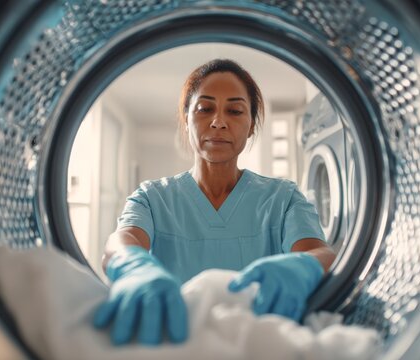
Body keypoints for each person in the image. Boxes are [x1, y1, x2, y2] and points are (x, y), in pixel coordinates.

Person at [93, 59, 336, 346]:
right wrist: (132, 264)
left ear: (251, 126)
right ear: (186, 120)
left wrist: (304, 267)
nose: (218, 121)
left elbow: (320, 253)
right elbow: (124, 238)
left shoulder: (283, 198)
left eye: (234, 110)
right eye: (204, 109)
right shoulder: (152, 197)